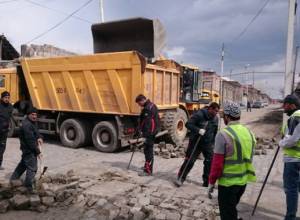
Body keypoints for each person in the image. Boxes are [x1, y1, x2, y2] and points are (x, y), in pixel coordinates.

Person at [208, 102, 256, 220]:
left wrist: (211, 183)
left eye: (224, 115)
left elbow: (217, 164)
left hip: (227, 184)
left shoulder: (223, 134)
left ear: (227, 117)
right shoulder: (249, 133)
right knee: (231, 210)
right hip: (243, 183)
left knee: (227, 215)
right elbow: (250, 157)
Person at [174, 102, 219, 187]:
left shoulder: (215, 118)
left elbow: (215, 131)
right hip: (196, 142)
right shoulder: (199, 115)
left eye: (217, 111)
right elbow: (188, 124)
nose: (216, 113)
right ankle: (180, 178)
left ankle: (206, 181)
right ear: (210, 109)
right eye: (215, 111)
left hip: (208, 143)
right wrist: (198, 130)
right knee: (190, 161)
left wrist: (213, 143)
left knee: (209, 162)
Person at [10, 107, 43, 192]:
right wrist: (38, 152)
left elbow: (36, 131)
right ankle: (28, 187)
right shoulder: (26, 125)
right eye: (32, 114)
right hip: (28, 149)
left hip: (27, 149)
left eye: (35, 114)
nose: (34, 116)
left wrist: (39, 137)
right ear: (28, 115)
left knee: (24, 164)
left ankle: (13, 179)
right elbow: (30, 141)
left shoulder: (32, 122)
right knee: (32, 168)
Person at [279, 94, 300, 220]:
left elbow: (292, 139)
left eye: (285, 104)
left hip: (293, 160)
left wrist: (281, 143)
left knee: (291, 189)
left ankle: (290, 217)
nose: (283, 107)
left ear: (292, 105)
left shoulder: (296, 117)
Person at [135, 94, 160, 176]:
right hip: (151, 132)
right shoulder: (150, 106)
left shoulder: (148, 109)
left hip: (150, 133)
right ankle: (147, 167)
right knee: (147, 150)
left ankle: (148, 171)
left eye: (139, 103)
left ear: (142, 100)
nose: (139, 105)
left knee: (148, 151)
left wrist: (144, 133)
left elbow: (147, 123)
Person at [0, 91, 13, 170]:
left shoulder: (10, 106)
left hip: (4, 131)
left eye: (8, 98)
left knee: (2, 148)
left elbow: (10, 117)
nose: (7, 99)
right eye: (5, 98)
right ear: (1, 98)